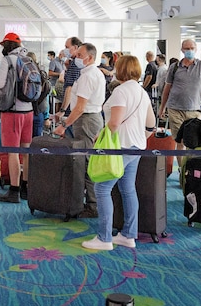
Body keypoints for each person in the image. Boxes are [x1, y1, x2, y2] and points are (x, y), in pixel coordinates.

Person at [83, 55, 155, 250]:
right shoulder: (142, 92)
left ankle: (104, 238)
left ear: (120, 69)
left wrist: (102, 136)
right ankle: (128, 235)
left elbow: (114, 123)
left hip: (120, 146)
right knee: (128, 189)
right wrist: (140, 138)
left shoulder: (120, 92)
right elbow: (151, 124)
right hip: (137, 146)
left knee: (102, 189)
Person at [52, 43, 106, 217]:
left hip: (86, 121)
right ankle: (91, 202)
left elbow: (80, 107)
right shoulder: (93, 73)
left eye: (80, 55)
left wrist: (64, 125)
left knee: (88, 161)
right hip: (90, 119)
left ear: (90, 58)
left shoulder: (88, 76)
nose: (76, 57)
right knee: (88, 160)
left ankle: (92, 205)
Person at [158, 39, 201, 166]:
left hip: (194, 110)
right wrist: (162, 108)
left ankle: (191, 169)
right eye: (186, 48)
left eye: (192, 48)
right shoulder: (174, 67)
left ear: (195, 49)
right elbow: (167, 88)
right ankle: (182, 169)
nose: (189, 50)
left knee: (193, 142)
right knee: (180, 142)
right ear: (182, 50)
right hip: (175, 108)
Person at [0, 33, 35, 203]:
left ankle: (14, 190)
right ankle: (26, 187)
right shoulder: (28, 59)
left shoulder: (8, 60)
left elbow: (0, 83)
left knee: (12, 152)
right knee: (26, 151)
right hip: (29, 111)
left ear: (8, 45)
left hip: (13, 111)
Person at [56, 37, 83, 134]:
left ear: (75, 47)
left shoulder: (75, 65)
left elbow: (69, 88)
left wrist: (62, 110)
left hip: (70, 111)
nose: (65, 50)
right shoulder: (78, 64)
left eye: (67, 47)